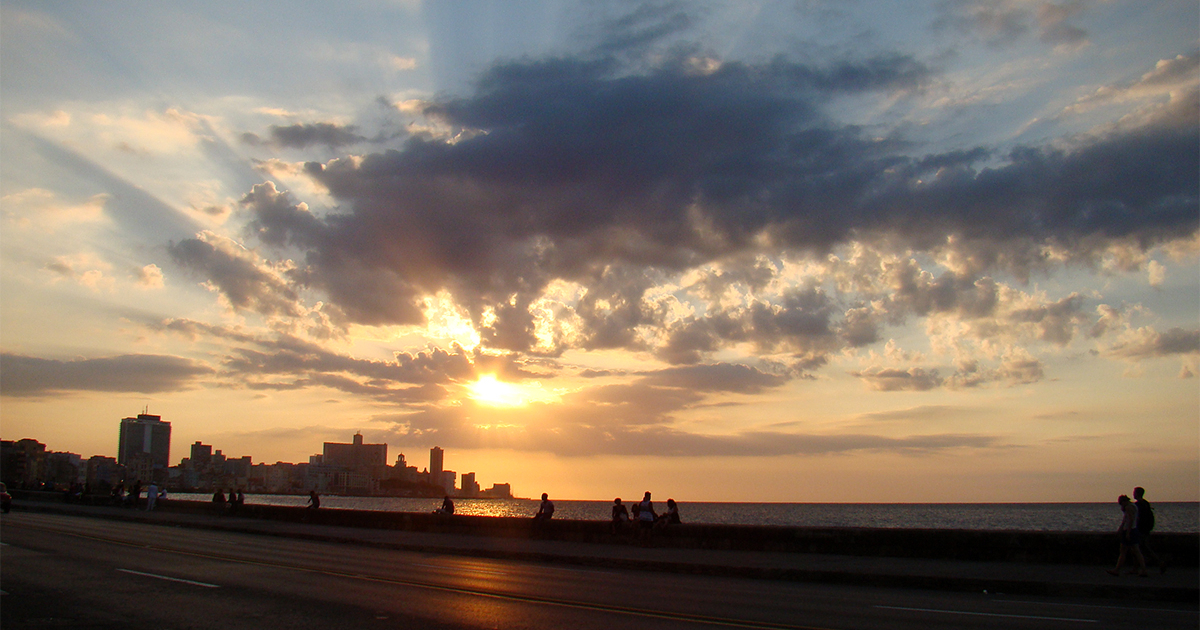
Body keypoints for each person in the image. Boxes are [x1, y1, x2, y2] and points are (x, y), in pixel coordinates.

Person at [1106, 495, 1147, 577]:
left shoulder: (1129, 507)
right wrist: (1121, 528)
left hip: (1130, 530)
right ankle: (1142, 570)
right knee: (1134, 551)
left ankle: (1117, 570)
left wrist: (1127, 532)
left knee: (1127, 551)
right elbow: (1127, 519)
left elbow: (1130, 520)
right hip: (1132, 530)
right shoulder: (1133, 506)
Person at [1133, 487, 1166, 573]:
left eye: (1134, 492)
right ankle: (1136, 568)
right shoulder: (1145, 503)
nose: (1133, 494)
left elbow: (1138, 518)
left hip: (1140, 529)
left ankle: (1159, 562)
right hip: (1145, 529)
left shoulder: (1138, 505)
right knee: (1140, 548)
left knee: (1140, 548)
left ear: (1137, 493)